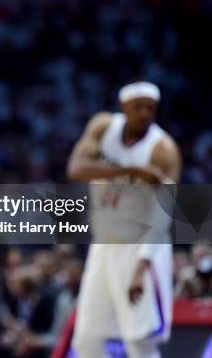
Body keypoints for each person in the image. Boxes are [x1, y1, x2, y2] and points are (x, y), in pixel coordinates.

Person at [66, 81, 182, 358]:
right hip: (103, 245)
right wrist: (132, 170)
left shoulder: (163, 150)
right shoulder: (103, 127)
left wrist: (142, 268)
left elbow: (162, 216)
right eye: (138, 107)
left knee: (140, 340)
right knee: (86, 339)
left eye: (151, 108)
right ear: (123, 108)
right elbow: (75, 169)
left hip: (140, 247)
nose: (145, 113)